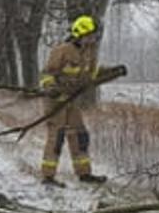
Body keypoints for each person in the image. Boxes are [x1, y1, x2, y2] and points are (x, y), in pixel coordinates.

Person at [38, 15, 120, 187]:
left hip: (72, 102)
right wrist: (51, 88)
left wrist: (112, 72)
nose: (92, 39)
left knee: (80, 135)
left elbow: (91, 75)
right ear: (80, 35)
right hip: (57, 101)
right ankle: (48, 177)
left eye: (94, 36)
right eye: (90, 36)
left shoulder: (89, 53)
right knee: (57, 137)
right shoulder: (62, 51)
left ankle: (84, 174)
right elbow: (47, 74)